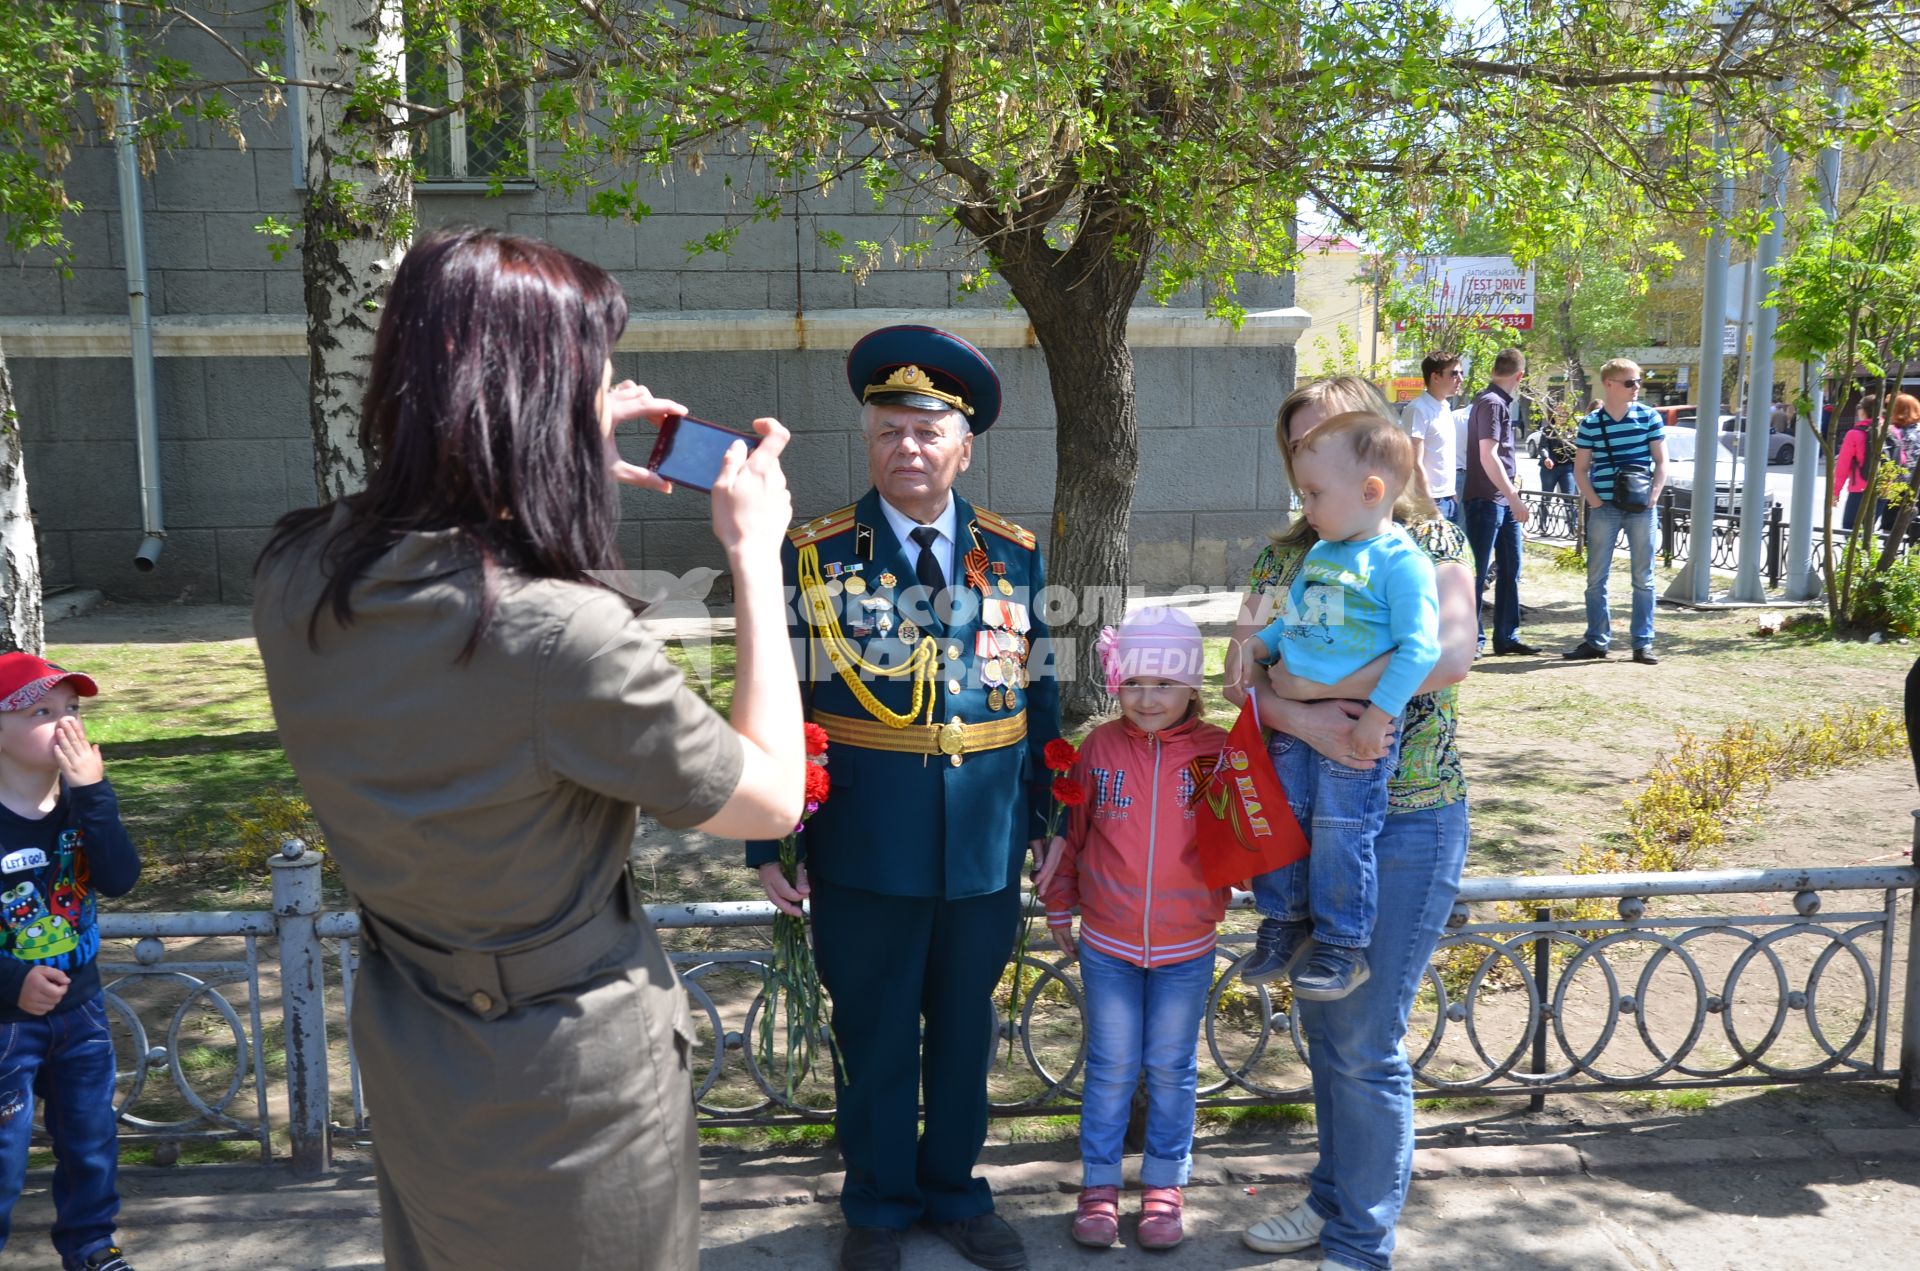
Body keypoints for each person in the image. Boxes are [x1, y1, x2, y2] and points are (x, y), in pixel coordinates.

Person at [252, 227, 806, 1271]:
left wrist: (557, 455)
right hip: (564, 1079)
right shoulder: (559, 637)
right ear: (535, 400)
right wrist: (753, 559)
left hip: (417, 1042)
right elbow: (771, 795)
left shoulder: (296, 571)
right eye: (588, 379)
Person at [747, 324, 1061, 1271]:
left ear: (964, 446)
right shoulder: (813, 555)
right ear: (868, 440)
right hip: (864, 842)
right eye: (889, 430)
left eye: (928, 431)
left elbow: (1038, 699)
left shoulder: (1010, 554)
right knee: (875, 1030)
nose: (908, 448)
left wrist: (1051, 821)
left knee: (967, 1030)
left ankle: (958, 1193)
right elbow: (776, 697)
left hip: (983, 843)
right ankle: (879, 1206)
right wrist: (768, 841)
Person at [1227, 374, 1475, 1271]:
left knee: (1367, 1039)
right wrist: (1292, 706)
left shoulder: (1428, 538)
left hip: (1406, 815)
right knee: (1328, 1024)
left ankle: (1362, 1240)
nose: (1313, 465)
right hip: (1306, 811)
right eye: (1301, 450)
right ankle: (1332, 1197)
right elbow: (1243, 676)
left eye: (1330, 439)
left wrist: (1318, 689)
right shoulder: (1282, 557)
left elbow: (1449, 654)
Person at [1034, 608, 1228, 1253]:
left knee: (1172, 1069)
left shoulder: (1216, 752)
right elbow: (1071, 835)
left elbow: (1244, 841)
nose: (1148, 698)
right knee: (1112, 1066)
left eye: (1165, 684)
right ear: (1116, 683)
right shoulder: (1098, 748)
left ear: (1193, 689)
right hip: (1109, 944)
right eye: (1134, 683)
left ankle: (1165, 1187)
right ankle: (1097, 1187)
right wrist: (1059, 905)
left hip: (1187, 944)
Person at [1236, 414, 1440, 1001]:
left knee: (1341, 832)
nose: (1307, 506)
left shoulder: (1401, 563)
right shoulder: (1324, 552)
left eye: (1315, 494)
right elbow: (1295, 619)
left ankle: (1342, 945)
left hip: (1356, 722)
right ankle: (1282, 920)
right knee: (1288, 816)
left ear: (1371, 492)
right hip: (1297, 727)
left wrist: (1379, 716)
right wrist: (1261, 645)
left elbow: (1421, 649)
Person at [0, 654, 142, 1271]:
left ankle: (90, 1247)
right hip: (5, 1024)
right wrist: (12, 980)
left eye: (73, 711)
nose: (66, 725)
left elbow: (119, 879)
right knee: (4, 1155)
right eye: (41, 712)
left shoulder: (83, 807)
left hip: (81, 1012)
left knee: (90, 1144)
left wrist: (93, 792)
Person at [1564, 359, 1669, 666]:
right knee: (1596, 579)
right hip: (1605, 509)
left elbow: (1662, 462)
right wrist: (1595, 502)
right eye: (1630, 382)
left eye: (1638, 382)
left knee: (1644, 579)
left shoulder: (1648, 417)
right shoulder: (1591, 423)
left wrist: (1653, 496)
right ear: (1609, 384)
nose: (1637, 387)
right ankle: (1596, 641)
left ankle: (1643, 643)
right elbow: (1580, 469)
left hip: (1641, 509)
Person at [1462, 347, 1537, 656]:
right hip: (1486, 500)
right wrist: (1514, 498)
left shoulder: (1494, 402)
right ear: (1519, 376)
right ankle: (1473, 639)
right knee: (1478, 572)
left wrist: (1510, 499)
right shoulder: (1492, 403)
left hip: (1499, 500)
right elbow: (1488, 455)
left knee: (1511, 567)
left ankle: (1506, 636)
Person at [1401, 352, 1462, 523]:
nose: (1460, 379)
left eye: (1461, 373)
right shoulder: (1418, 409)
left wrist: (1452, 495)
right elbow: (1414, 462)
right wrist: (1431, 507)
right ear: (1435, 377)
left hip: (1448, 499)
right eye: (1454, 373)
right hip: (1428, 502)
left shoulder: (1445, 407)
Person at [1538, 402, 1578, 497]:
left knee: (1569, 499)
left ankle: (1571, 512)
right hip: (1550, 468)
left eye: (1563, 414)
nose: (1560, 417)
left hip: (1567, 468)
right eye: (1557, 414)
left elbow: (1577, 450)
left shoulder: (1572, 431)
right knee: (1546, 498)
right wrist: (1546, 458)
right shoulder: (1548, 430)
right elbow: (1543, 446)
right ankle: (1544, 512)